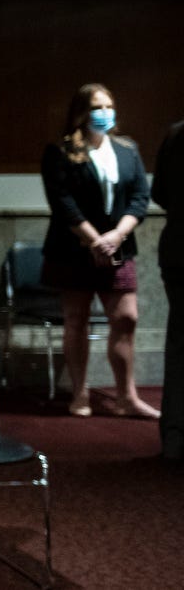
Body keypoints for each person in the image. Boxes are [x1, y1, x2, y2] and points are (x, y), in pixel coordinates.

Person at [40, 83, 158, 419]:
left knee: (126, 318)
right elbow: (63, 202)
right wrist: (94, 240)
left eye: (110, 105)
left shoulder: (126, 149)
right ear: (80, 111)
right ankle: (79, 395)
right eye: (97, 107)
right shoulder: (60, 151)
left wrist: (116, 236)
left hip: (119, 245)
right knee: (76, 320)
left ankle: (127, 396)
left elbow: (139, 197)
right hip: (75, 249)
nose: (105, 113)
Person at [153, 118, 184, 459]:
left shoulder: (175, 133)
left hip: (176, 249)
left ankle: (174, 438)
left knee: (178, 346)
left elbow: (159, 193)